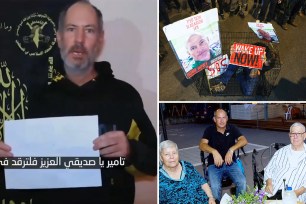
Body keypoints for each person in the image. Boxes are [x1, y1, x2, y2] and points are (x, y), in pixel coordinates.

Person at [0, 1, 157, 203]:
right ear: (58, 38)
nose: (79, 39)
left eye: (89, 30)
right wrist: (7, 164)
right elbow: (21, 185)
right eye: (71, 29)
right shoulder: (38, 98)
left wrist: (130, 150)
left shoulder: (124, 95)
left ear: (100, 39)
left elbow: (155, 164)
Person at [199, 109, 248, 202]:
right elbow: (202, 145)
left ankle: (239, 202)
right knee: (215, 187)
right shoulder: (209, 130)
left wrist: (231, 149)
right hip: (214, 165)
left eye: (223, 117)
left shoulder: (232, 128)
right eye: (219, 118)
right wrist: (214, 151)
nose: (221, 120)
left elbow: (244, 140)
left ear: (227, 118)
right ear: (214, 119)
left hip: (231, 163)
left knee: (242, 182)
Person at [159, 140, 216, 204]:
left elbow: (202, 183)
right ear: (161, 157)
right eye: (167, 154)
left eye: (174, 153)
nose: (172, 157)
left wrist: (211, 197)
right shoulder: (159, 178)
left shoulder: (187, 166)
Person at [210, 42, 278, 96]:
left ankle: (239, 75)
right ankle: (222, 83)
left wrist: (256, 66)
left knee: (248, 93)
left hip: (253, 70)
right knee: (233, 60)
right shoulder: (260, 46)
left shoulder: (270, 65)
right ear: (265, 54)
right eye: (266, 61)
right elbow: (244, 50)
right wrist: (234, 51)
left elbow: (254, 74)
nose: (265, 63)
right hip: (245, 60)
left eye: (267, 63)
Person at [264, 122, 306, 202]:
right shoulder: (280, 152)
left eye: (299, 134)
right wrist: (268, 183)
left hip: (295, 197)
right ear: (289, 135)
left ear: (304, 136)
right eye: (293, 133)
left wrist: (296, 193)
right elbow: (268, 169)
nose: (295, 137)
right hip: (272, 194)